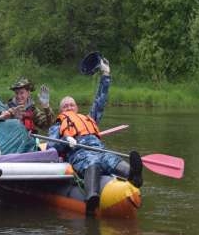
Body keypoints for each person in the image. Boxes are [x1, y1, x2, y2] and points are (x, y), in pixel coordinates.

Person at [47, 57, 143, 214]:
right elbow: (51, 146)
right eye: (65, 106)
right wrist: (65, 140)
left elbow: (100, 101)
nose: (69, 107)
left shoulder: (89, 118)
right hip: (79, 151)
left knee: (111, 159)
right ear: (61, 110)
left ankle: (133, 175)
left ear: (77, 107)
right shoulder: (57, 125)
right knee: (92, 162)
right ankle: (92, 196)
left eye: (71, 104)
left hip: (99, 148)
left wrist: (106, 75)